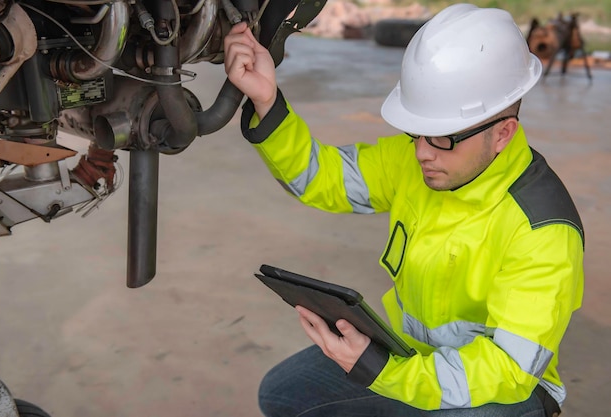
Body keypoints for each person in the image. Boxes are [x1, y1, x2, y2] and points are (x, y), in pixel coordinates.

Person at [224, 3, 584, 417]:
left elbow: (506, 368)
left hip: (503, 391)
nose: (422, 153)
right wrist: (268, 101)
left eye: (442, 138)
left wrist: (381, 372)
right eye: (416, 133)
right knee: (281, 394)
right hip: (410, 354)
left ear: (503, 133)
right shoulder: (418, 160)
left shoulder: (542, 230)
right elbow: (321, 178)